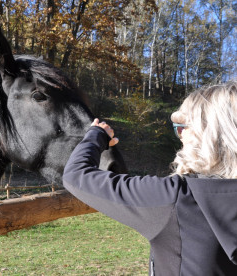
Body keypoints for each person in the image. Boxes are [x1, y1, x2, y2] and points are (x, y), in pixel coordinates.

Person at [63, 81, 237, 276]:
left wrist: (96, 136)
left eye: (182, 127)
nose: (180, 136)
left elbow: (76, 175)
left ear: (207, 134)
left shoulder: (175, 198)